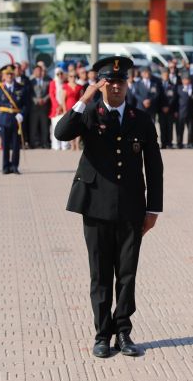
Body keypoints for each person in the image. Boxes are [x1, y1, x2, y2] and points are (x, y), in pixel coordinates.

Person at [54, 56, 163, 359]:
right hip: (95, 205)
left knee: (127, 274)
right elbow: (61, 133)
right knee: (100, 274)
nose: (115, 87)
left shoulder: (140, 119)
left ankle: (124, 332)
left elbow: (154, 165)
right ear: (101, 85)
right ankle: (102, 335)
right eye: (109, 82)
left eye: (120, 82)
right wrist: (82, 100)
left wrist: (154, 209)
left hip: (131, 207)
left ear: (128, 84)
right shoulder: (89, 113)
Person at [0, 65, 26, 174]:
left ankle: (15, 166)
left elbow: (26, 105)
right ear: (3, 76)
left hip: (16, 120)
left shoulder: (21, 87)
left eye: (11, 74)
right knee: (5, 144)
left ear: (14, 75)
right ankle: (5, 166)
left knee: (16, 145)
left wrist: (22, 114)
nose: (9, 76)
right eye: (7, 74)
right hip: (4, 120)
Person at [29, 65, 52, 149]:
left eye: (39, 71)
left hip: (44, 107)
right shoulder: (30, 81)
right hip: (34, 107)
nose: (38, 72)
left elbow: (50, 92)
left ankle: (45, 143)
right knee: (33, 126)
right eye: (36, 71)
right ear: (34, 72)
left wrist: (44, 99)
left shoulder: (48, 81)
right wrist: (36, 100)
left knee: (44, 126)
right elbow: (29, 94)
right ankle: (32, 143)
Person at [63, 71, 85, 151]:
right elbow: (63, 100)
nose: (73, 78)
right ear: (68, 77)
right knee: (70, 127)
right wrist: (64, 109)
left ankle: (77, 144)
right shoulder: (65, 86)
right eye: (71, 76)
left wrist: (82, 108)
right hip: (69, 108)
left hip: (78, 107)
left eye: (74, 76)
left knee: (77, 126)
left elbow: (82, 98)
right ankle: (72, 144)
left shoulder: (80, 87)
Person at [176, 74, 193, 149]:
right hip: (181, 112)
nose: (186, 81)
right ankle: (179, 143)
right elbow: (175, 101)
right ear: (182, 81)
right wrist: (176, 111)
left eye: (187, 79)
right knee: (180, 129)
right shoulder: (178, 88)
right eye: (184, 80)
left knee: (191, 129)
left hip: (191, 113)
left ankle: (191, 142)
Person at [49, 68, 69, 150]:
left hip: (64, 108)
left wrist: (62, 106)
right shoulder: (52, 83)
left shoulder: (65, 83)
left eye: (61, 73)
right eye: (58, 74)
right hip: (55, 109)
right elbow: (52, 95)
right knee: (55, 127)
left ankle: (65, 145)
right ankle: (56, 146)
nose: (60, 75)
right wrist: (58, 106)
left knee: (64, 127)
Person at [159, 70, 178, 149]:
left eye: (167, 75)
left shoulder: (172, 85)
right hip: (161, 110)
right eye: (164, 75)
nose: (166, 77)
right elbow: (157, 97)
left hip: (170, 110)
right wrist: (162, 107)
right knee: (162, 127)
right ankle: (163, 143)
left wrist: (168, 107)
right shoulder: (158, 85)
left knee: (170, 127)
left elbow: (174, 97)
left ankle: (169, 143)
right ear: (162, 76)